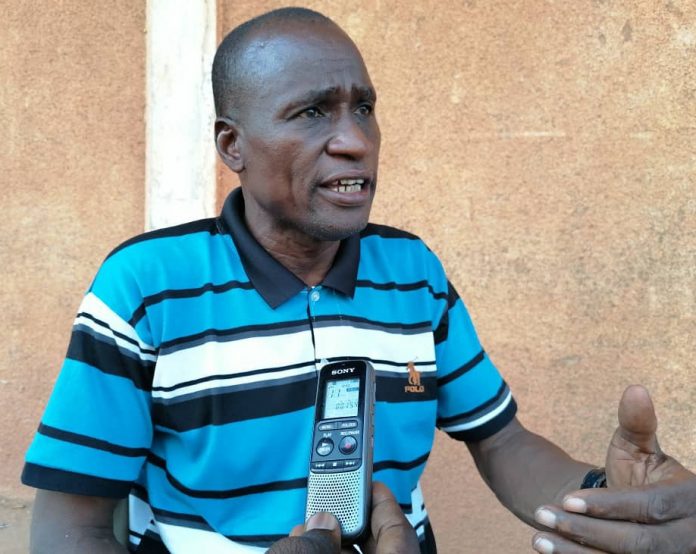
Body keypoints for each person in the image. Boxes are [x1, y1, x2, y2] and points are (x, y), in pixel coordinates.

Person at [21, 7, 696, 554]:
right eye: (313, 112)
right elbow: (70, 527)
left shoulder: (412, 273)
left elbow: (500, 439)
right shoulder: (146, 287)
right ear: (233, 146)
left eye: (364, 108)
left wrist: (608, 500)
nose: (355, 140)